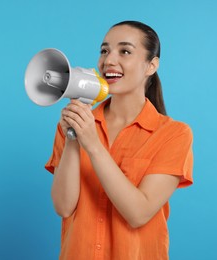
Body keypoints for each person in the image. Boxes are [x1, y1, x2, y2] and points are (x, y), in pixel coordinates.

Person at [45, 21, 193, 260]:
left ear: (151, 65)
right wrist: (74, 138)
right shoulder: (75, 126)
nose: (109, 61)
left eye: (124, 51)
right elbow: (63, 206)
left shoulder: (174, 134)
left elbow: (138, 213)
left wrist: (92, 144)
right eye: (104, 51)